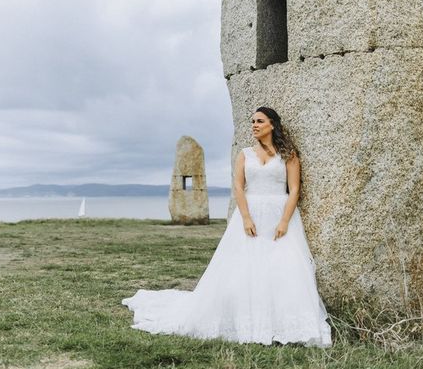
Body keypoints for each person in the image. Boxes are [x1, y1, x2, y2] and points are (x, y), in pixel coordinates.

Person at [122, 107, 331, 346]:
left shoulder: (289, 155)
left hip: (279, 214)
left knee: (283, 266)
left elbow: (294, 189)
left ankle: (282, 324)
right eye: (252, 121)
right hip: (251, 214)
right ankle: (245, 320)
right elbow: (239, 187)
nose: (254, 125)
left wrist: (284, 220)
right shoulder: (244, 155)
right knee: (243, 266)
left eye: (260, 121)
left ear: (272, 125)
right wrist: (246, 217)